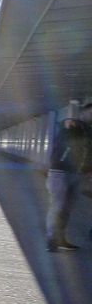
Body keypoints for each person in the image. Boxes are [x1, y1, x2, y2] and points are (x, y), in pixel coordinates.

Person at [45, 101, 92, 252]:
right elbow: (64, 126)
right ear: (84, 112)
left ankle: (61, 238)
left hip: (77, 173)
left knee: (67, 208)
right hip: (60, 172)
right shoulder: (72, 124)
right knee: (57, 206)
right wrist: (69, 121)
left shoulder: (89, 130)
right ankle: (51, 239)